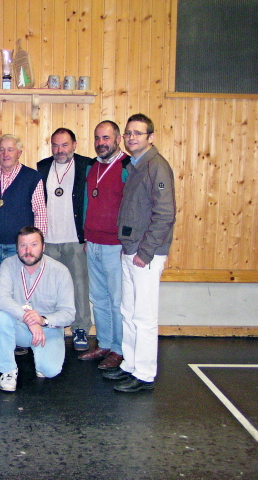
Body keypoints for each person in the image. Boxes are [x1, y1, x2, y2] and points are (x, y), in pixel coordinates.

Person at [104, 113, 176, 393]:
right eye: (128, 133)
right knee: (128, 311)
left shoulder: (157, 167)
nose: (131, 137)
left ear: (151, 137)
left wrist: (145, 253)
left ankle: (144, 374)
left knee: (144, 317)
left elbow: (165, 214)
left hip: (145, 254)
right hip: (130, 249)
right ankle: (130, 365)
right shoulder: (136, 166)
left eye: (138, 133)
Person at [0, 226, 75, 392]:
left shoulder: (60, 271)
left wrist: (43, 320)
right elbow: (0, 299)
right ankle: (8, 370)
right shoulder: (8, 264)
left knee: (50, 371)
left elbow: (69, 314)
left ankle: (41, 358)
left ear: (43, 247)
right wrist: (29, 320)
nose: (28, 251)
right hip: (19, 326)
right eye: (23, 245)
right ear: (17, 248)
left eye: (34, 244)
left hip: (47, 329)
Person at [36, 128, 93, 352]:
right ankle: (51, 327)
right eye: (56, 145)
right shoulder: (42, 167)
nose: (60, 150)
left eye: (65, 145)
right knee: (49, 288)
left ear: (74, 145)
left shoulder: (86, 166)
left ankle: (81, 328)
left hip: (75, 239)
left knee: (79, 286)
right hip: (48, 240)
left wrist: (88, 235)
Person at [79, 121, 130, 370]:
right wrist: (86, 236)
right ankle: (105, 343)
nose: (101, 143)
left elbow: (132, 208)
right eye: (98, 138)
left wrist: (126, 242)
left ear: (118, 139)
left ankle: (119, 349)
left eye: (106, 138)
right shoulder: (92, 166)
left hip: (115, 245)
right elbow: (87, 203)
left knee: (116, 301)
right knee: (98, 298)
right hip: (93, 243)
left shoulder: (127, 167)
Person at [0, 134, 47, 274]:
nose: (5, 154)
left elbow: (40, 212)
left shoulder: (32, 177)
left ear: (19, 153)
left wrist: (37, 243)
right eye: (2, 150)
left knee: (19, 283)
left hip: (21, 246)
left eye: (10, 150)